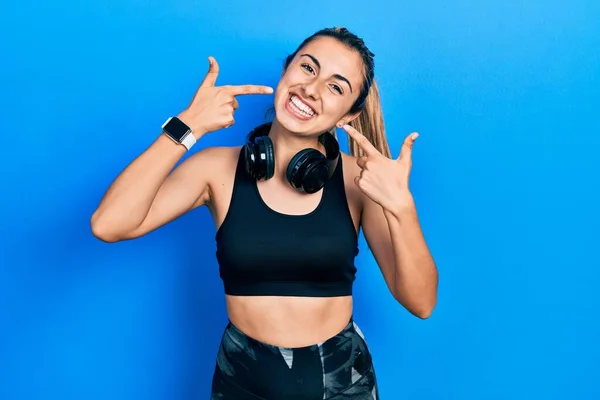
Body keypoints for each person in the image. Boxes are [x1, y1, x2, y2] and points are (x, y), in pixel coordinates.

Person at [91, 26, 438, 399]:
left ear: (348, 116)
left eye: (336, 87)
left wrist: (402, 208)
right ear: (286, 71)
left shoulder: (362, 180)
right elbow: (109, 224)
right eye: (308, 68)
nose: (312, 88)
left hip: (340, 382)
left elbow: (420, 302)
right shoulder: (214, 170)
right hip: (243, 379)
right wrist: (187, 127)